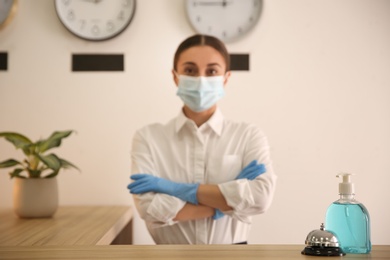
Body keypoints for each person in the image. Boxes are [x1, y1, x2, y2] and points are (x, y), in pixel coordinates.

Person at [127, 34, 277, 245]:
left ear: (226, 78)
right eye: (190, 70)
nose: (201, 79)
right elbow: (149, 208)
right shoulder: (148, 137)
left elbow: (260, 199)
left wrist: (176, 189)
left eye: (212, 71)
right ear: (175, 76)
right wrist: (226, 201)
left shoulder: (248, 135)